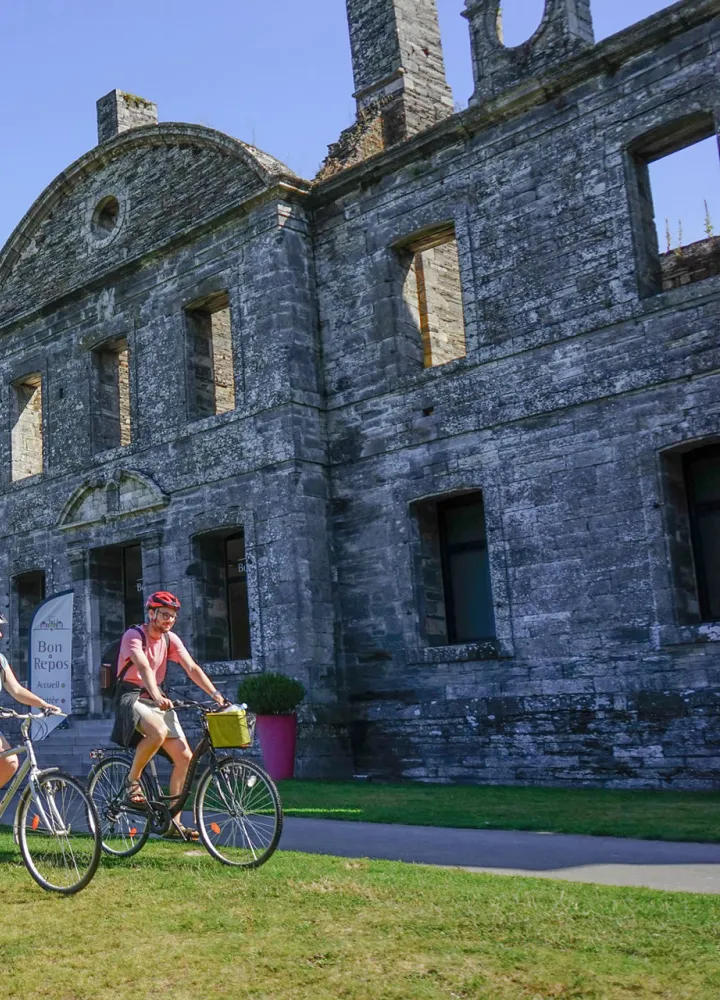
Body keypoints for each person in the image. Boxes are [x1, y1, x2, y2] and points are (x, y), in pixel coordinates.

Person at [110, 591, 226, 839]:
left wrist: (216, 694)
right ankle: (132, 781)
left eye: (172, 616)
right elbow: (143, 667)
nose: (169, 620)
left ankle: (173, 823)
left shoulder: (170, 640)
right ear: (150, 613)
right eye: (164, 615)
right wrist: (155, 694)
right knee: (158, 731)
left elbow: (192, 667)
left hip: (156, 698)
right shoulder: (134, 635)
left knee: (185, 757)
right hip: (131, 696)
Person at [0, 610, 63, 788]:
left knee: (9, 762)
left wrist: (43, 705)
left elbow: (17, 690)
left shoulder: (0, 661)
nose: (1, 634)